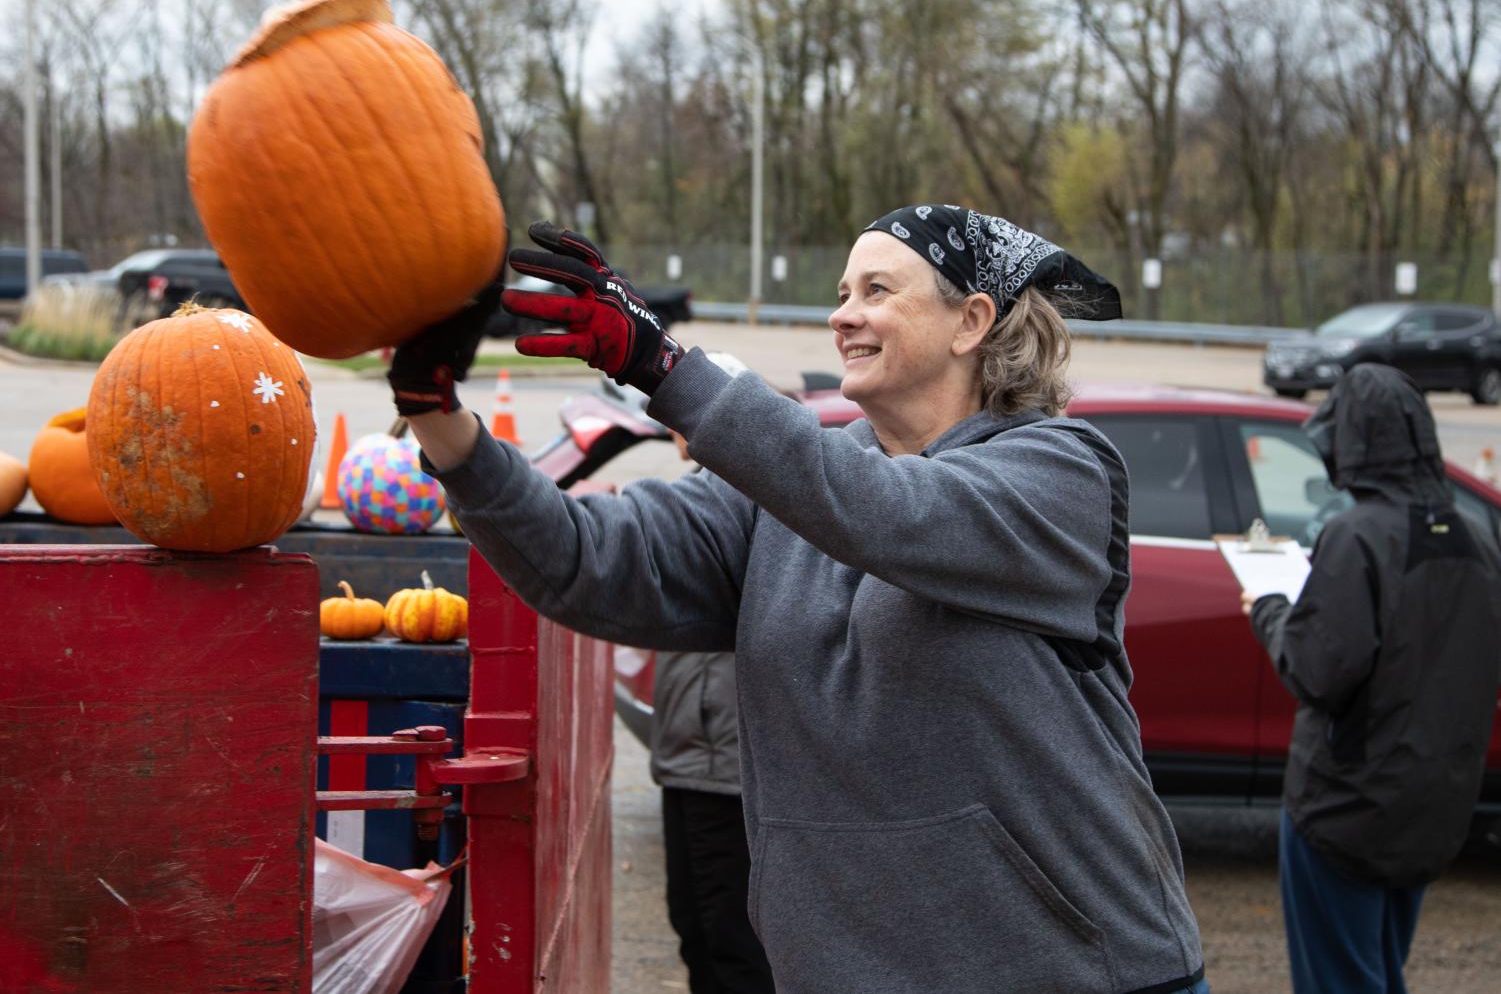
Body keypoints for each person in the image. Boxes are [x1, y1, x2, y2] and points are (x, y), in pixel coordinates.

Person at [387, 209, 1207, 993]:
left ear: (971, 321)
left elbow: (887, 513)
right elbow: (589, 560)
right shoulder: (786, 488)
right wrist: (442, 423)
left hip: (1071, 973)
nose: (842, 316)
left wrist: (664, 367)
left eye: (876, 291)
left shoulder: (1059, 473)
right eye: (842, 293)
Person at [1239, 363, 1501, 994]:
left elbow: (1317, 671)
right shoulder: (1477, 541)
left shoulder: (1357, 537)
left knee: (1342, 981)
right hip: (1434, 808)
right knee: (1379, 973)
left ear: (1351, 440)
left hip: (1345, 812)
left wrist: (1268, 608)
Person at [652, 351, 776, 994]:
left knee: (728, 945)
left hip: (720, 765)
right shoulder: (707, 489)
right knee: (698, 927)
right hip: (691, 757)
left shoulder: (746, 496)